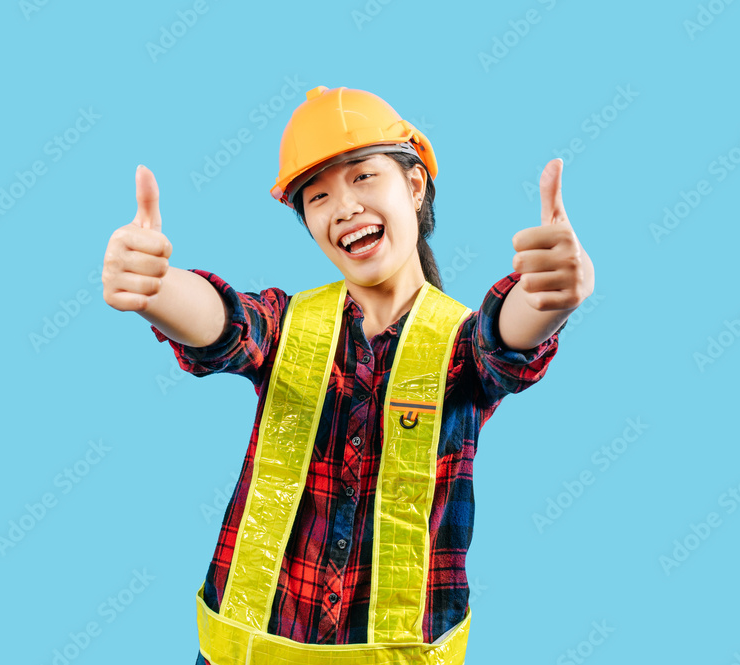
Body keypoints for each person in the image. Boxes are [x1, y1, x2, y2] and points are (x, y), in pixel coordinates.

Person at [102, 85, 595, 664]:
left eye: (363, 176)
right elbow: (224, 324)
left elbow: (505, 339)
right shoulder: (289, 325)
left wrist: (549, 296)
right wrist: (159, 289)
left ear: (414, 186)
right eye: (318, 196)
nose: (344, 207)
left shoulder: (458, 347)